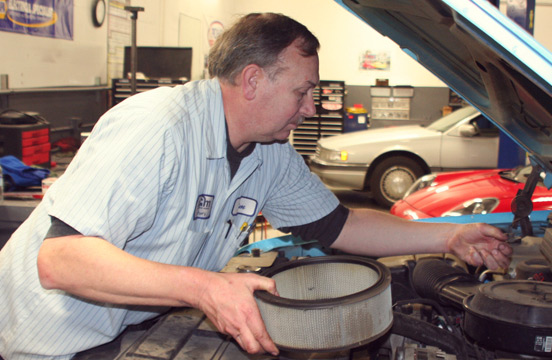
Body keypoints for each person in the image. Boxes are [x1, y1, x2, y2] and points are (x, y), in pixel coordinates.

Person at [0, 12, 512, 359]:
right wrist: (205, 288)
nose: (312, 106)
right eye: (302, 91)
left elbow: (342, 224)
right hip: (42, 341)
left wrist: (447, 237)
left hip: (121, 331)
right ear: (251, 81)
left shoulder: (270, 155)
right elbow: (60, 260)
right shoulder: (156, 128)